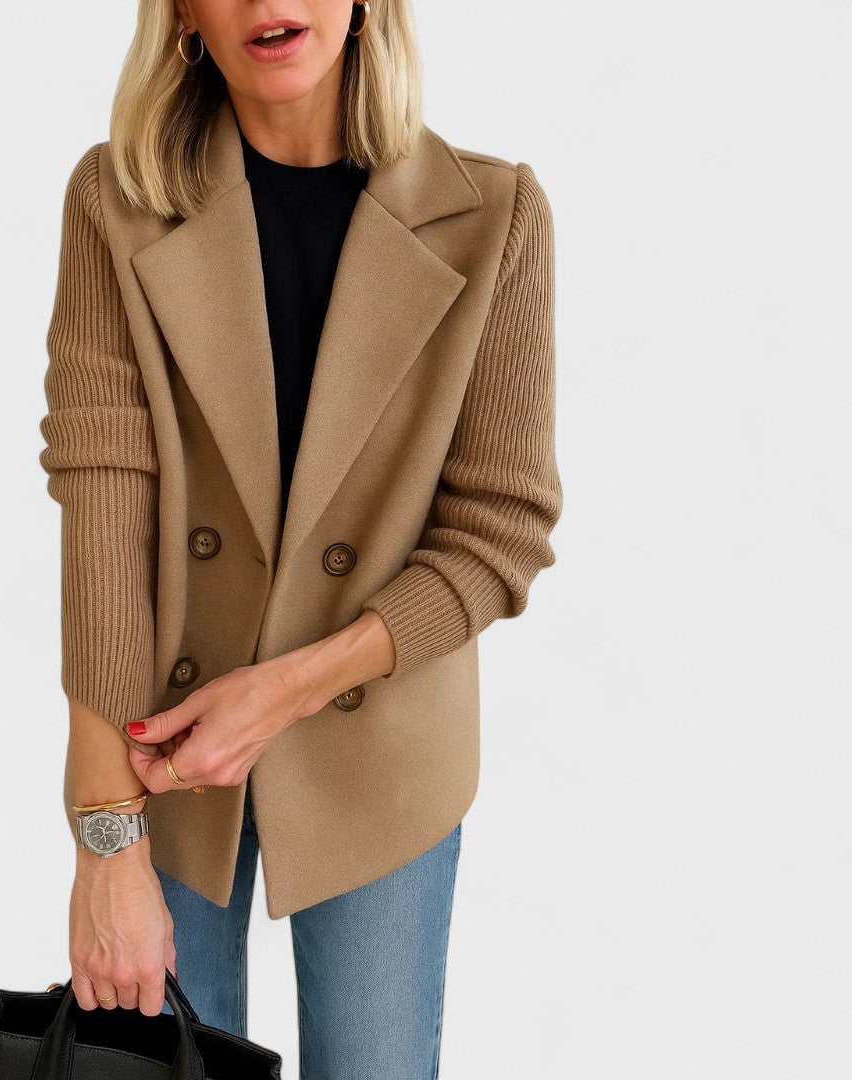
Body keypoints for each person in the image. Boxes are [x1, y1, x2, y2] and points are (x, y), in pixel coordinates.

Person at [38, 1, 562, 1075]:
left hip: (383, 749)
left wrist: (286, 688)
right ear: (185, 16)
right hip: (160, 748)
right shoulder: (116, 202)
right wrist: (106, 839)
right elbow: (102, 512)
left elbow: (499, 528)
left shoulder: (495, 215)